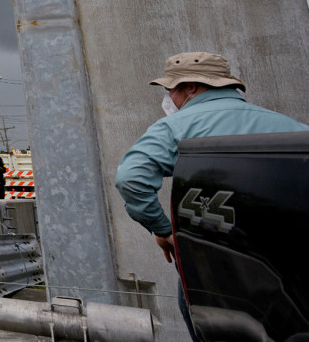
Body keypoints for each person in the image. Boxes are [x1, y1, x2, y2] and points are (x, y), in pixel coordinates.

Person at [115, 51, 308, 342]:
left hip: (217, 269)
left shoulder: (176, 127)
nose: (169, 97)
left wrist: (164, 229)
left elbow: (131, 178)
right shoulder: (293, 128)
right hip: (292, 267)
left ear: (191, 87)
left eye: (171, 89)